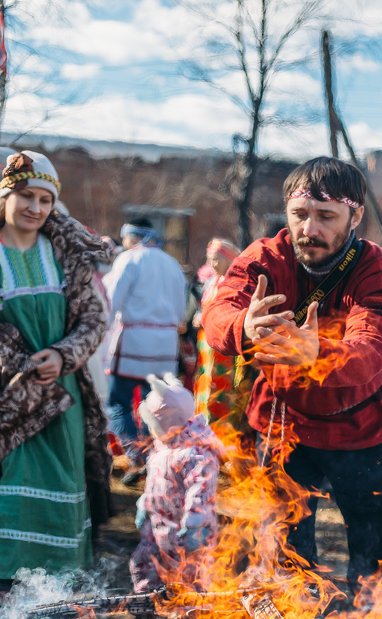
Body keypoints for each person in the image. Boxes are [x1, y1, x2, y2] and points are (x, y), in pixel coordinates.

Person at [202, 156, 382, 594]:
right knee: (283, 557)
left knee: (377, 560)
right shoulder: (266, 256)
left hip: (360, 431)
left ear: (356, 216)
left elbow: (375, 349)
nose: (308, 229)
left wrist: (319, 352)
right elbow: (218, 312)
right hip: (282, 429)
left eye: (326, 217)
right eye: (300, 214)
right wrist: (244, 327)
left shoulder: (378, 269)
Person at [0, 150, 113, 586]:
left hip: (62, 397)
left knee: (62, 485)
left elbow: (93, 318)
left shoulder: (67, 254)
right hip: (9, 398)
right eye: (26, 195)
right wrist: (18, 362)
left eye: (45, 199)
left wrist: (63, 355)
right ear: (6, 196)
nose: (35, 208)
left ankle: (55, 592)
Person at [104, 217, 187, 484]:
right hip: (164, 347)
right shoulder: (172, 263)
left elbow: (111, 300)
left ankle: (137, 455)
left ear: (131, 237)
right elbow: (181, 311)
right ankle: (156, 457)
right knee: (159, 407)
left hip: (134, 343)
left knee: (118, 403)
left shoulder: (129, 259)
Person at [129, 373, 222, 592]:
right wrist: (145, 504)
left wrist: (195, 525)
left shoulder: (196, 454)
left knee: (190, 574)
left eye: (153, 425)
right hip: (158, 527)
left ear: (168, 425)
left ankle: (192, 616)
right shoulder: (163, 448)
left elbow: (201, 490)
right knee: (144, 565)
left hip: (187, 532)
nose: (150, 431)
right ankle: (150, 604)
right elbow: (155, 482)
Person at [194, 238, 241, 424]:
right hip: (206, 345)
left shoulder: (235, 282)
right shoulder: (212, 282)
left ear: (229, 259)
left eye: (216, 259)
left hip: (223, 348)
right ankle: (204, 423)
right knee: (206, 381)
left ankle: (220, 427)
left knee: (222, 387)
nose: (212, 264)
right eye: (210, 259)